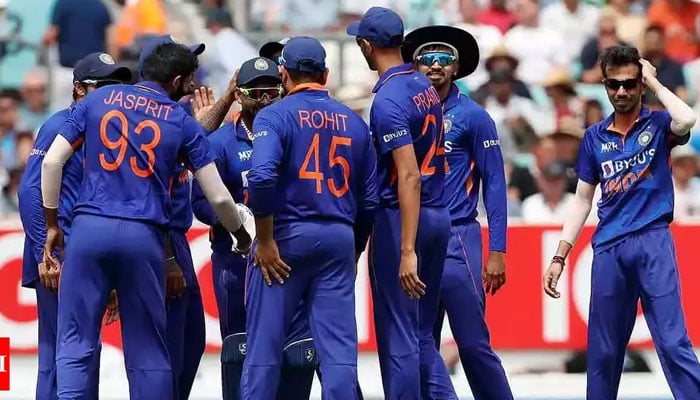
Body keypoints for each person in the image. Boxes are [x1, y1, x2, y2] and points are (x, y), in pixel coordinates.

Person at [40, 41, 251, 398]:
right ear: (178, 80)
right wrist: (241, 236)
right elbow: (217, 195)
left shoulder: (96, 101)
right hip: (144, 236)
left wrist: (51, 225)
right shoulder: (178, 119)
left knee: (75, 344)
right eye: (189, 83)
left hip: (89, 229)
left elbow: (51, 162)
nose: (190, 89)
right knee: (148, 349)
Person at [543, 45, 700, 400]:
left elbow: (688, 119)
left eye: (630, 83)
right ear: (604, 85)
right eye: (614, 85)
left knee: (673, 344)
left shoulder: (659, 124)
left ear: (640, 83)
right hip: (609, 249)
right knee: (604, 352)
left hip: (652, 241)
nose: (622, 92)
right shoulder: (594, 137)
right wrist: (559, 256)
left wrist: (655, 83)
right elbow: (583, 199)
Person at [243, 36, 378, 399]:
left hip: (286, 236)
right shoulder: (353, 122)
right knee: (337, 352)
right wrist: (354, 248)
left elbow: (261, 176)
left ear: (283, 73)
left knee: (264, 347)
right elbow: (369, 200)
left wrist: (266, 239)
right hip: (338, 235)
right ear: (326, 74)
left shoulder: (275, 113)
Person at [191, 56, 317, 400]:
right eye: (254, 92)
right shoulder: (220, 144)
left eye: (271, 91)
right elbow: (199, 203)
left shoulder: (297, 133)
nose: (263, 99)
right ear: (238, 94)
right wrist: (236, 220)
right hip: (236, 263)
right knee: (241, 347)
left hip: (287, 258)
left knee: (296, 350)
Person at [347, 7, 457, 399]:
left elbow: (408, 174)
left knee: (398, 335)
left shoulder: (388, 98)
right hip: (438, 213)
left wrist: (406, 249)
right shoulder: (423, 86)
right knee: (421, 334)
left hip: (402, 218)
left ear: (365, 46)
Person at [403, 25, 513, 400]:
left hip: (457, 239)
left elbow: (495, 185)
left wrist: (497, 250)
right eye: (426, 59)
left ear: (456, 67)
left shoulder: (474, 116)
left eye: (444, 58)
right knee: (419, 342)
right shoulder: (405, 114)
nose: (435, 65)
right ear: (414, 66)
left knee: (472, 343)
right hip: (414, 239)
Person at [17, 51, 130, 400]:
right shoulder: (59, 124)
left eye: (117, 86)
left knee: (83, 352)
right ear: (78, 88)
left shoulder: (113, 131)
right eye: (103, 86)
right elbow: (30, 190)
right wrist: (45, 255)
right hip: (59, 253)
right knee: (58, 355)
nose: (113, 94)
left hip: (90, 252)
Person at [135, 34, 209, 400]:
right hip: (163, 239)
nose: (193, 78)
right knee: (169, 347)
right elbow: (155, 192)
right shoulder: (166, 116)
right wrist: (168, 258)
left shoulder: (175, 114)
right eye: (185, 68)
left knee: (191, 341)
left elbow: (196, 146)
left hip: (172, 238)